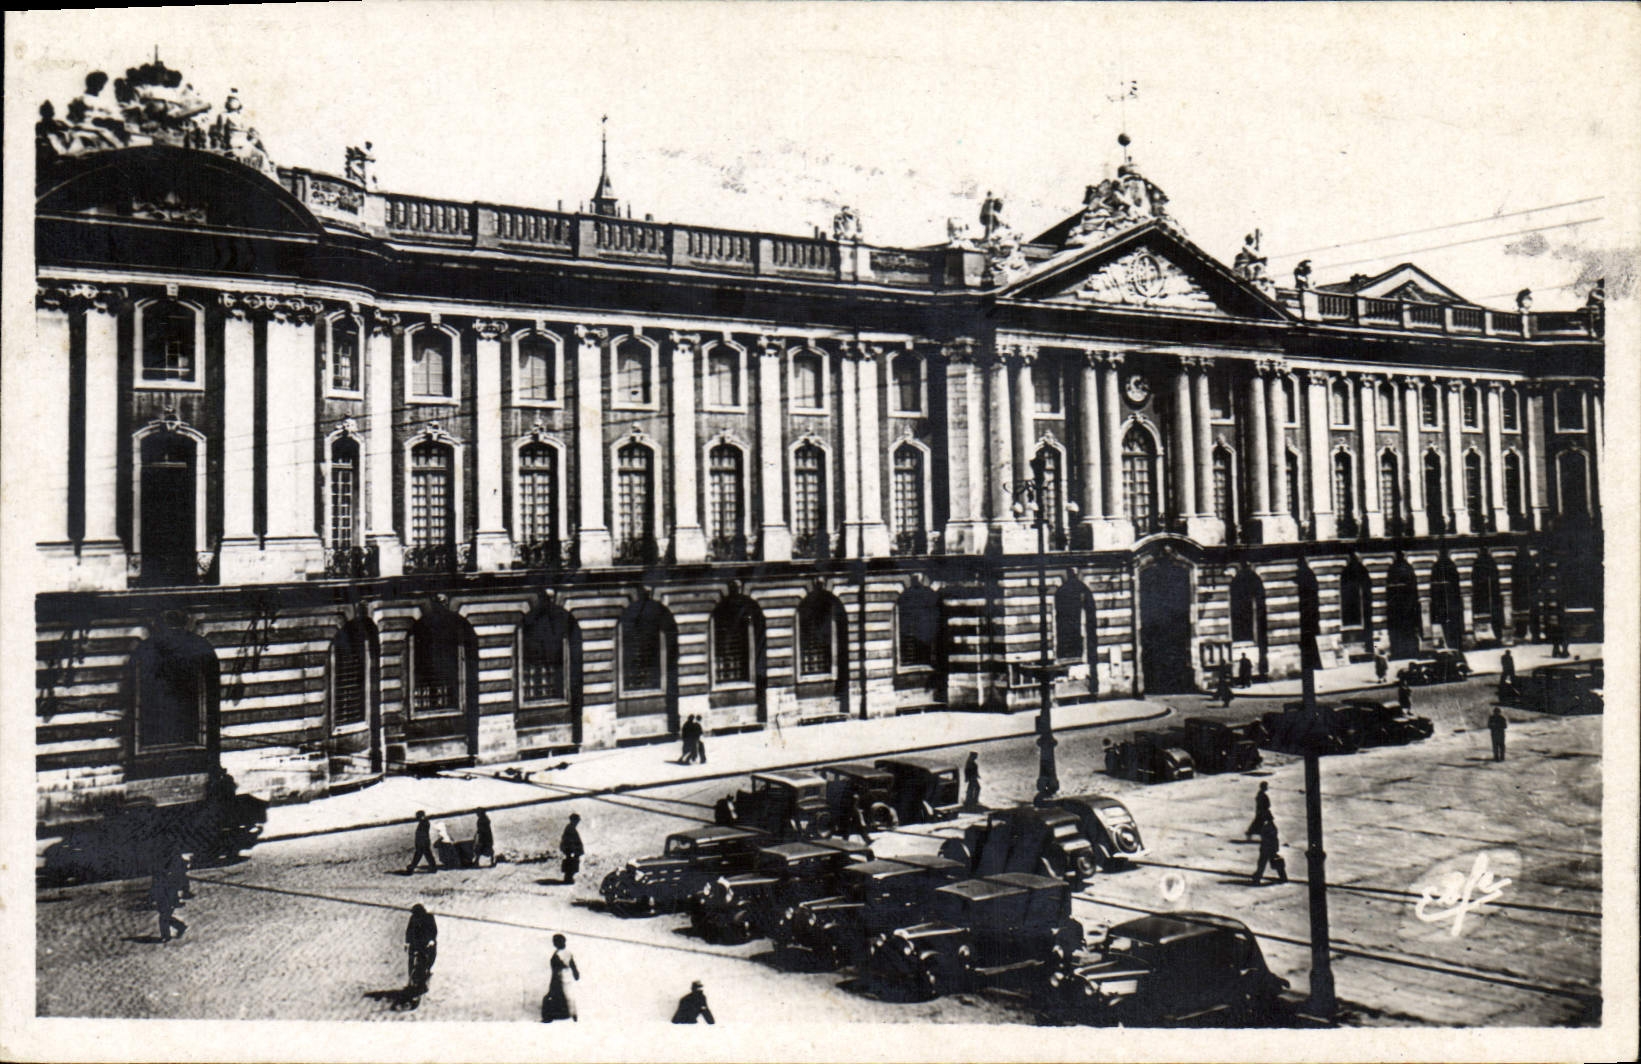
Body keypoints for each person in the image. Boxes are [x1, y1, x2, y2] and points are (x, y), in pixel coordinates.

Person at [541, 933, 580, 1022]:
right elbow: (573, 966)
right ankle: (572, 1015)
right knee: (567, 996)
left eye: (555, 941)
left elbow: (556, 969)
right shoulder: (568, 953)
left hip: (559, 977)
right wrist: (576, 974)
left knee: (551, 997)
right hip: (567, 977)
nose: (553, 943)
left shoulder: (558, 954)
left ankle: (549, 1017)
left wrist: (553, 982)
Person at [405, 904, 438, 992]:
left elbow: (433, 930)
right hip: (415, 943)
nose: (415, 915)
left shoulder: (429, 918)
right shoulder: (413, 918)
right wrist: (407, 942)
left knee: (427, 961)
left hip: (426, 943)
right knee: (411, 960)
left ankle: (424, 978)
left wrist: (431, 940)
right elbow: (409, 930)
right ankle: (411, 979)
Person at [152, 867, 187, 943]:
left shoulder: (167, 881)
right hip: (162, 902)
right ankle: (180, 926)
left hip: (168, 902)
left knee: (163, 918)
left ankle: (166, 936)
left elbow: (172, 892)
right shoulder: (159, 880)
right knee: (165, 918)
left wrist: (174, 903)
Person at [1250, 817, 1287, 885]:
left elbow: (1271, 838)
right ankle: (1283, 877)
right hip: (1269, 847)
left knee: (1262, 863)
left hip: (1268, 848)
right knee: (1271, 862)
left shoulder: (1269, 827)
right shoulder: (1269, 826)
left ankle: (1257, 879)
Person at [560, 813, 585, 884]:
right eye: (577, 821)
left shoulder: (571, 828)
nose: (577, 823)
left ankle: (569, 878)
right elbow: (568, 841)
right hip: (570, 850)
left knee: (572, 863)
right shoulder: (570, 829)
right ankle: (568, 878)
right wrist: (573, 850)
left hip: (572, 850)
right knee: (571, 863)